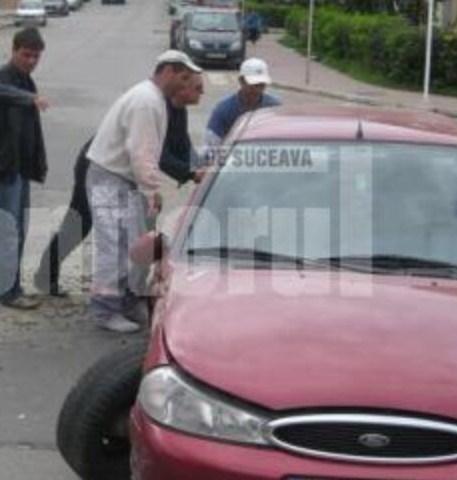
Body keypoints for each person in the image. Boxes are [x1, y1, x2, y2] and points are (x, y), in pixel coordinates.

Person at [33, 73, 206, 297]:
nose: (202, 92)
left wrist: (199, 167)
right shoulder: (154, 105)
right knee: (80, 222)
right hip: (99, 164)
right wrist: (190, 173)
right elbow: (158, 155)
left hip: (130, 172)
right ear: (182, 86)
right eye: (198, 87)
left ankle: (132, 287)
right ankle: (50, 276)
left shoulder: (179, 109)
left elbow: (182, 146)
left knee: (143, 227)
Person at [86, 50, 202, 333]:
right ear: (169, 72)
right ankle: (105, 309)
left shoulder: (153, 99)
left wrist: (149, 188)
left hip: (121, 179)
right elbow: (142, 153)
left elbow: (148, 152)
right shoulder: (147, 102)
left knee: (135, 245)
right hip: (110, 178)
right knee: (115, 245)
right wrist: (152, 190)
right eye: (184, 78)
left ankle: (126, 301)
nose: (185, 85)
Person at [0, 27, 50, 310]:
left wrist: (37, 164)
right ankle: (4, 291)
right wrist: (29, 99)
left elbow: (30, 131)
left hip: (19, 169)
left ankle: (11, 286)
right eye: (26, 55)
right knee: (8, 230)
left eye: (36, 57)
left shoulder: (27, 81)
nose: (30, 61)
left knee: (19, 229)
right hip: (1, 169)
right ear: (14, 50)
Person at [205, 57, 281, 147]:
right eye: (254, 85)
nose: (258, 90)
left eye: (261, 85)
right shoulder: (224, 110)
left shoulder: (274, 108)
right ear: (241, 81)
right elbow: (213, 144)